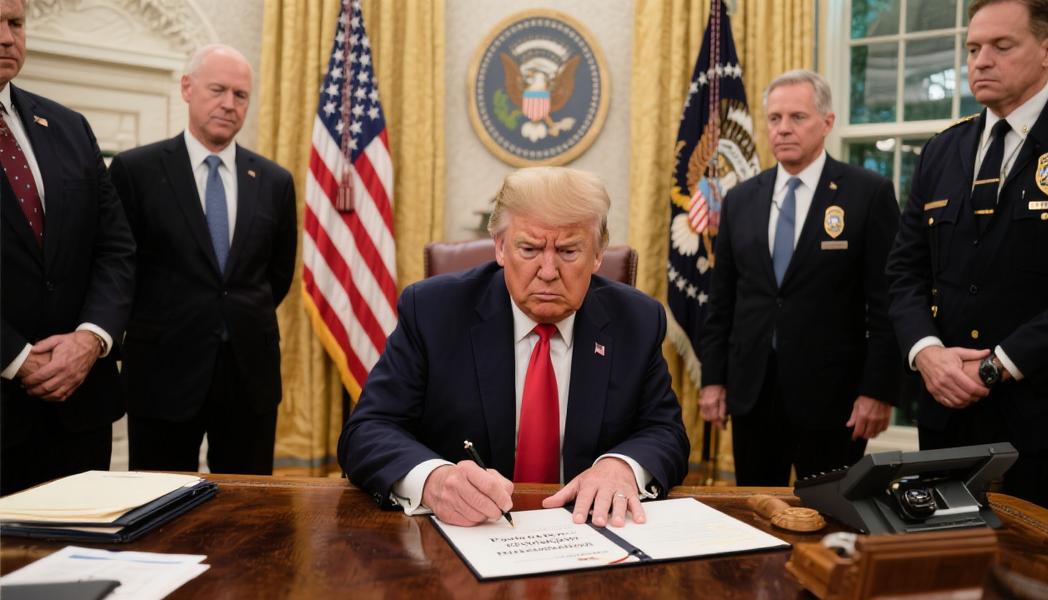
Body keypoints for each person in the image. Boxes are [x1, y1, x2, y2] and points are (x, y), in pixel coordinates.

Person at [338, 167, 689, 528]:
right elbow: (367, 430)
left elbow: (665, 432)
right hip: (465, 533)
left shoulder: (637, 321)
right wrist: (433, 481)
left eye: (569, 251)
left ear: (598, 254)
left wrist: (622, 467)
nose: (548, 271)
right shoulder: (432, 312)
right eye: (529, 249)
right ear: (500, 248)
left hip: (588, 531)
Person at [886, 0, 1048, 514]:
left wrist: (997, 366)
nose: (981, 61)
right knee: (947, 559)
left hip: (1046, 423)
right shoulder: (942, 150)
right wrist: (926, 353)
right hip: (947, 422)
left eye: (1001, 46)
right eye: (972, 48)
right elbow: (904, 271)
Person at [698, 70, 901, 486]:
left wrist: (878, 390)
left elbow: (887, 301)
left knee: (834, 514)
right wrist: (713, 380)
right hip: (753, 392)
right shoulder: (740, 199)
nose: (783, 128)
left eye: (797, 117)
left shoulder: (868, 193)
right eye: (775, 118)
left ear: (827, 122)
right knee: (757, 510)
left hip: (835, 398)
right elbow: (722, 302)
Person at [109, 45, 296, 475]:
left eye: (240, 95)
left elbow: (277, 274)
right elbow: (118, 269)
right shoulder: (135, 171)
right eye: (217, 90)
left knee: (248, 506)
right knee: (158, 501)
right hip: (162, 373)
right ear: (187, 88)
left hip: (249, 375)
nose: (229, 104)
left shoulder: (274, 181)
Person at [0, 0, 136, 495]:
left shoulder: (68, 127)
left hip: (81, 410)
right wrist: (17, 357)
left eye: (15, 23)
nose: (7, 38)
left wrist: (90, 338)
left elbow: (115, 247)